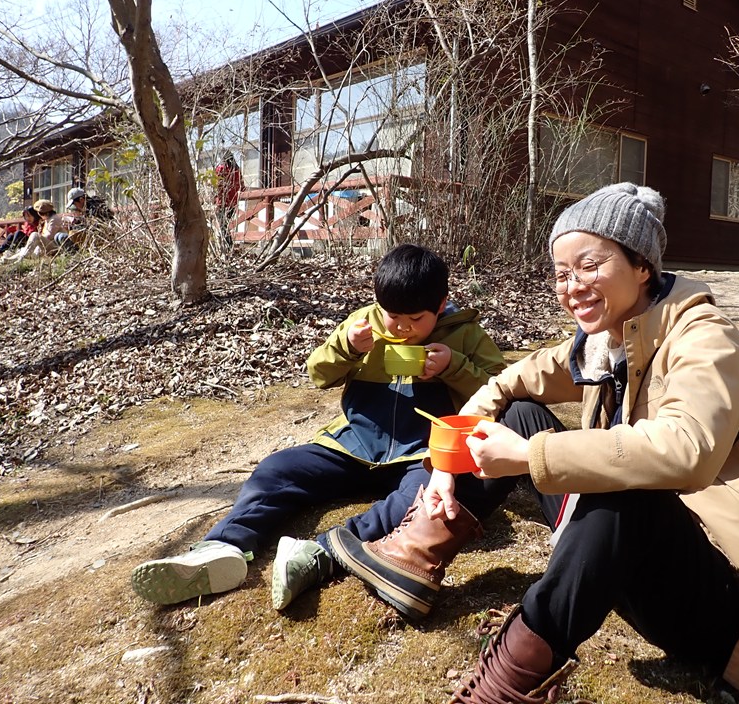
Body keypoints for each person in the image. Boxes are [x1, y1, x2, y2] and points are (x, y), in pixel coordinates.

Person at [330, 183, 739, 703]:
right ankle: (415, 557)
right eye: (561, 273)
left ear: (642, 265)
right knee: (523, 413)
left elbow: (687, 450)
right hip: (635, 553)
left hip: (730, 603)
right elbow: (509, 382)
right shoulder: (609, 341)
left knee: (627, 479)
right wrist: (446, 465)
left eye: (590, 265)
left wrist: (530, 457)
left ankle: (503, 687)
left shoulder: (705, 338)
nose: (572, 285)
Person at [130, 243, 507, 610]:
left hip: (419, 454)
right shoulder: (363, 325)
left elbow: (501, 391)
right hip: (354, 446)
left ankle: (319, 553)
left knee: (425, 498)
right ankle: (223, 547)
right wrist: (347, 347)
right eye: (394, 316)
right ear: (378, 303)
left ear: (440, 306)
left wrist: (454, 366)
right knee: (277, 470)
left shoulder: (466, 334)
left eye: (416, 320)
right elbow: (318, 374)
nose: (404, 328)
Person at [3, 199, 67, 262]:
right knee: (25, 248)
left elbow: (49, 236)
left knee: (35, 235)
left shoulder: (54, 219)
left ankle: (23, 256)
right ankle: (11, 259)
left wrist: (38, 237)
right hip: (48, 246)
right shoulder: (48, 219)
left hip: (56, 247)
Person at [54, 187, 114, 252]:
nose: (75, 206)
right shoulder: (89, 208)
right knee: (58, 236)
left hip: (98, 239)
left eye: (74, 204)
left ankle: (75, 254)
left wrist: (74, 226)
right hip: (91, 238)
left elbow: (93, 228)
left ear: (81, 199)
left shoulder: (94, 209)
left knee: (64, 236)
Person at [213, 154, 244, 249]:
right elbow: (242, 187)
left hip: (222, 202)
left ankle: (228, 246)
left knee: (222, 225)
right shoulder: (237, 171)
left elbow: (214, 184)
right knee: (225, 226)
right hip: (233, 203)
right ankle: (228, 246)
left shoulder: (220, 169)